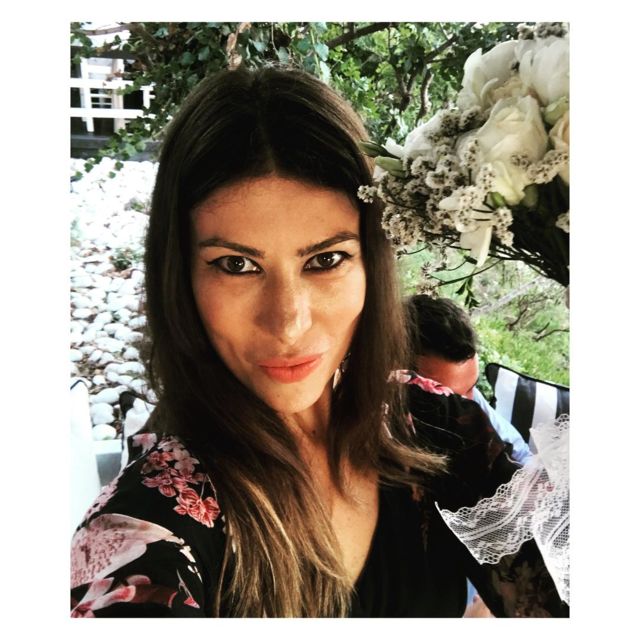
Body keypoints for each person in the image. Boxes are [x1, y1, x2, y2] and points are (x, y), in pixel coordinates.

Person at [70, 65, 567, 618]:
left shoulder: (436, 426)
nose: (288, 323)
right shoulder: (145, 533)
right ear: (180, 277)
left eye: (326, 260)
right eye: (236, 265)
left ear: (371, 264)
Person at [406, 295, 531, 465]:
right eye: (453, 399)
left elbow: (521, 454)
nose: (470, 403)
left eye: (472, 386)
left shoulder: (472, 399)